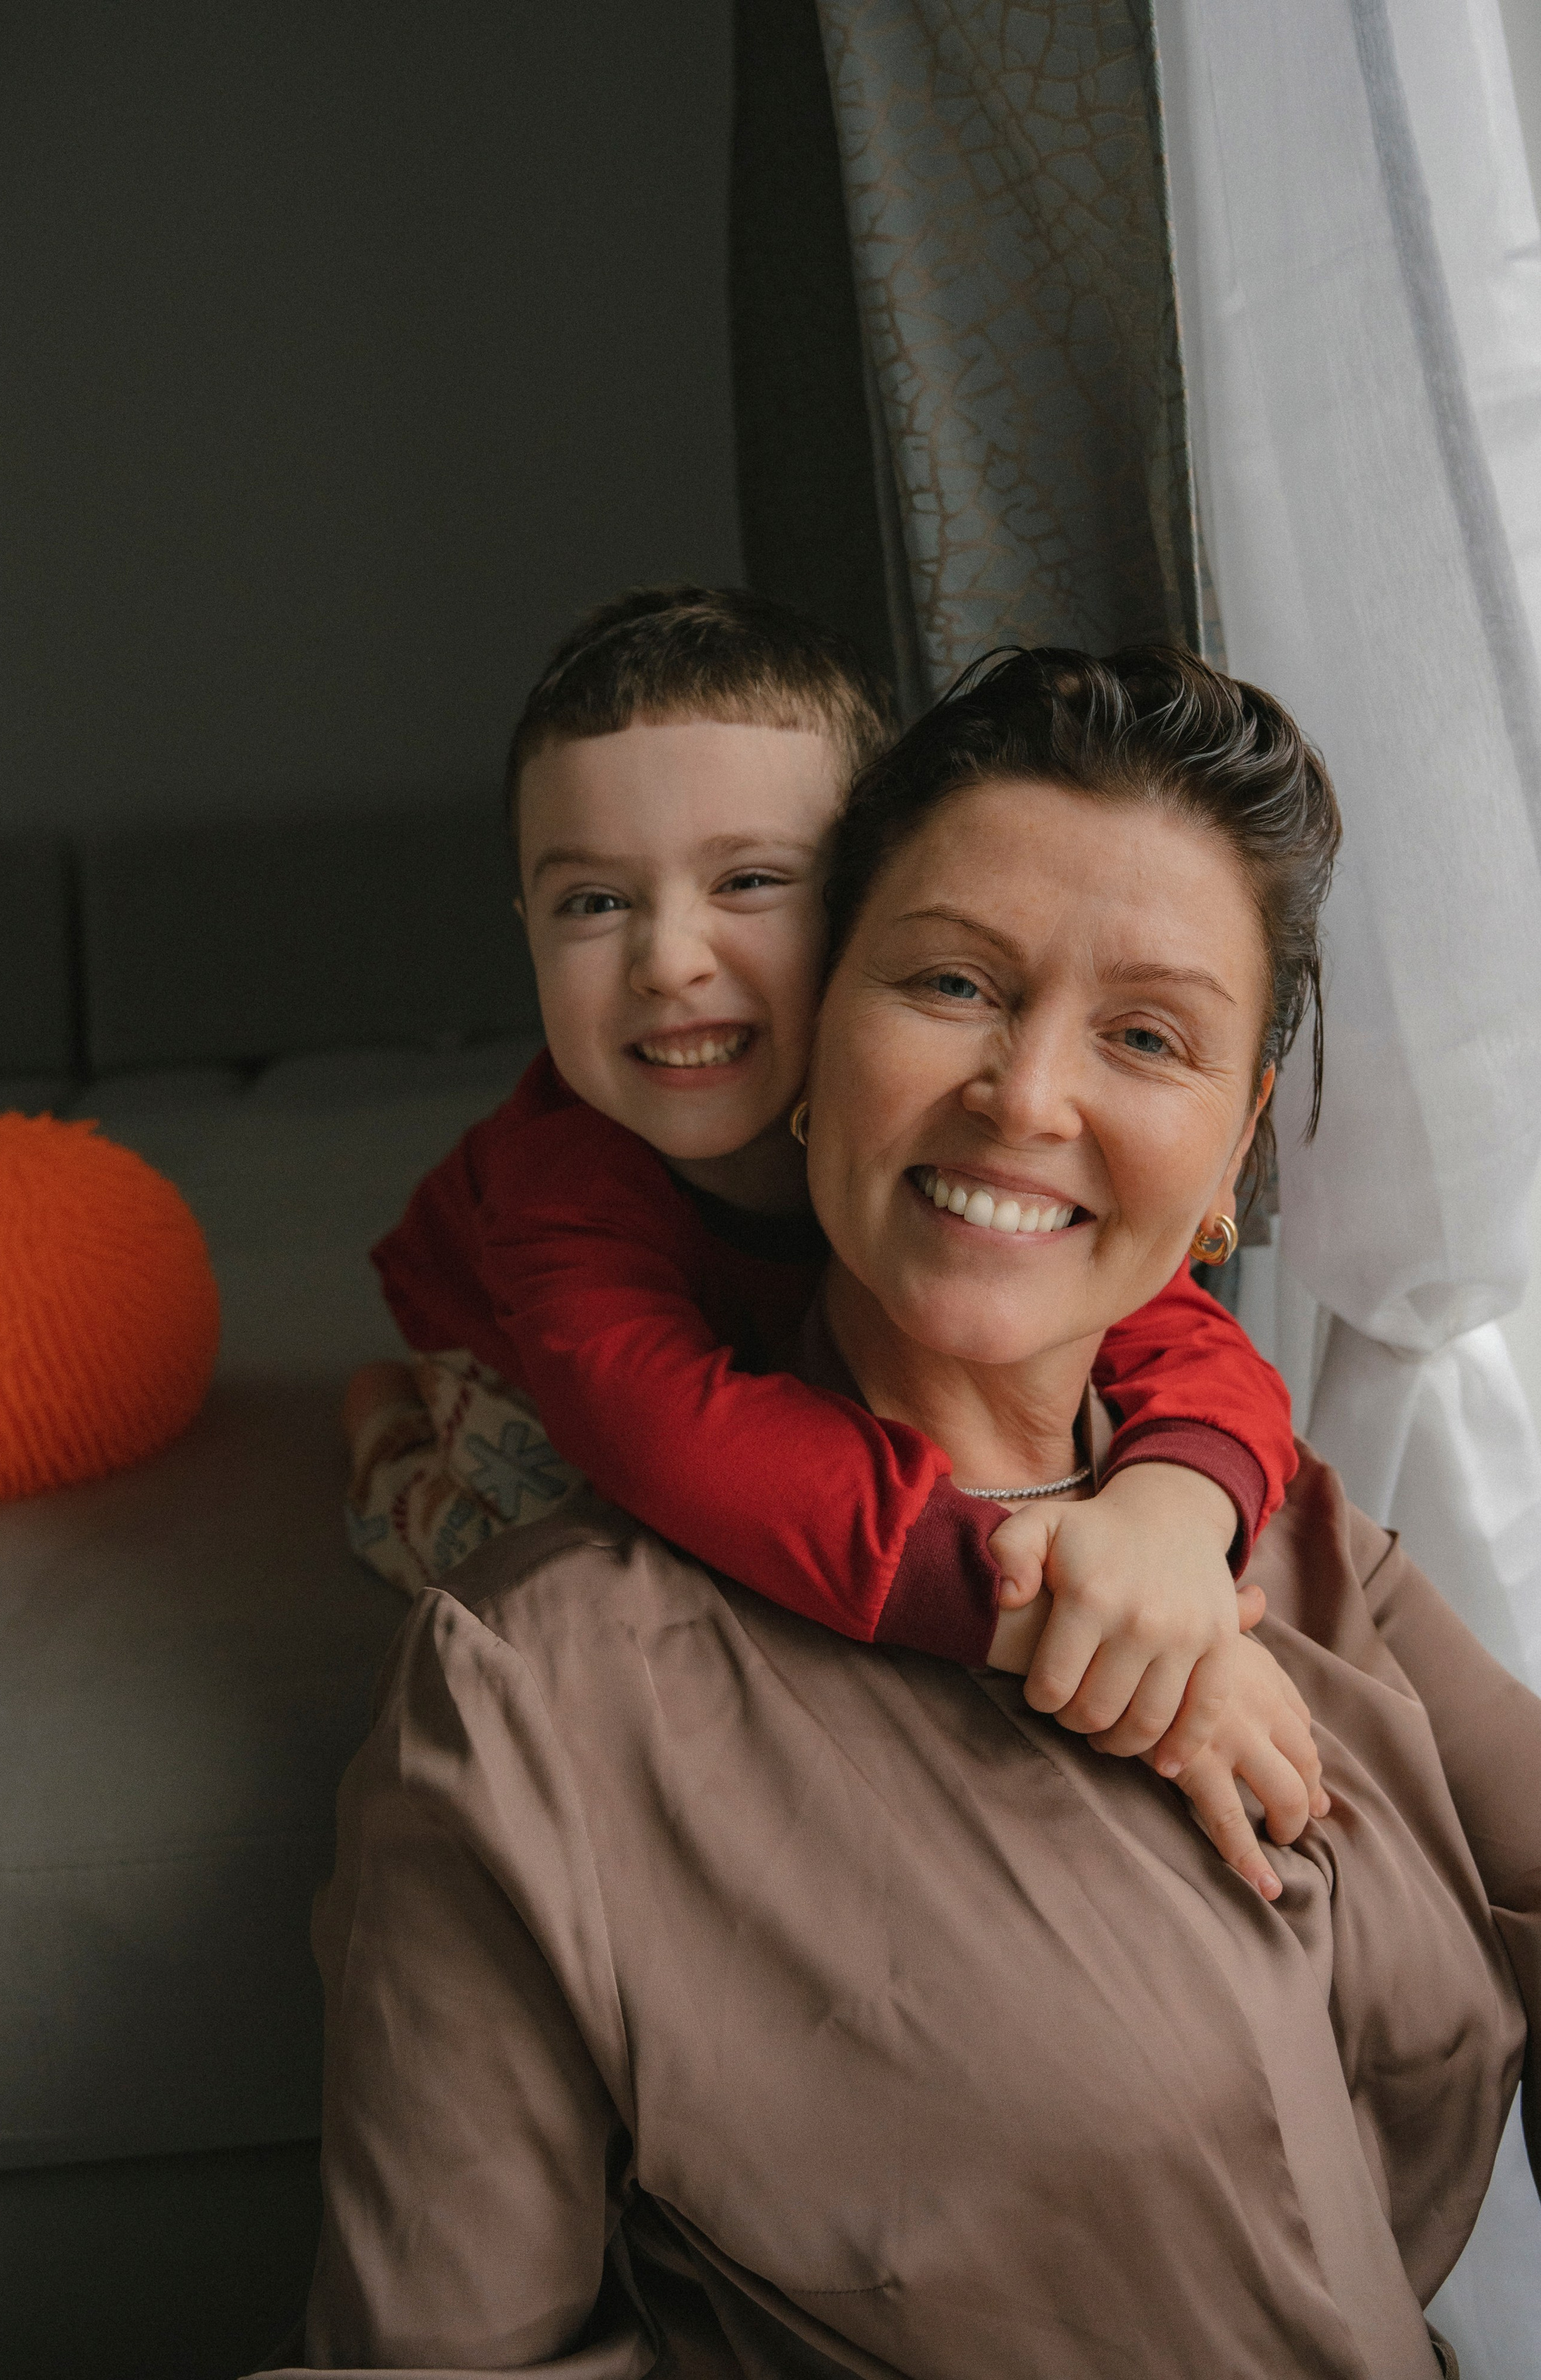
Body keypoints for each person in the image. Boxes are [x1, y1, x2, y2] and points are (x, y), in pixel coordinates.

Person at [274, 646, 1541, 2380]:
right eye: (950, 984)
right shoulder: (535, 1695)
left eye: (1146, 1035)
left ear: (1233, 1153)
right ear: (812, 1044)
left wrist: (1176, 1524)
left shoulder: (1297, 1536)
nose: (1024, 1098)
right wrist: (1012, 1600)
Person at [350, 586, 1299, 1818]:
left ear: (860, 908)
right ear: (526, 923)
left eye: (748, 882)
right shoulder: (560, 1181)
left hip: (757, 1334)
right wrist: (1042, 1616)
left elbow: (1178, 1331)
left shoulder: (919, 1116)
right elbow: (670, 1435)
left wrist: (1174, 1519)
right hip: (523, 1358)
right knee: (532, 1554)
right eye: (594, 901)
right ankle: (378, 1436)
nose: (670, 960)